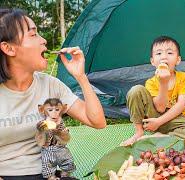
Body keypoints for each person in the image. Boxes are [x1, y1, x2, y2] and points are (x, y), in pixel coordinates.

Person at [0, 8, 106, 179]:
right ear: (8, 48)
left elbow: (98, 121)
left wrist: (81, 76)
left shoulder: (49, 84)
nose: (43, 41)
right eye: (33, 35)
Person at [121, 36, 185, 146]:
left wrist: (158, 122)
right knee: (136, 90)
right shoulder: (151, 82)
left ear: (178, 60)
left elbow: (181, 105)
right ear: (152, 61)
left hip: (178, 120)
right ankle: (139, 132)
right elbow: (160, 108)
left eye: (169, 53)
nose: (164, 57)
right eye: (159, 54)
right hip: (156, 117)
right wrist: (163, 83)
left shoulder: (184, 77)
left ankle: (163, 137)